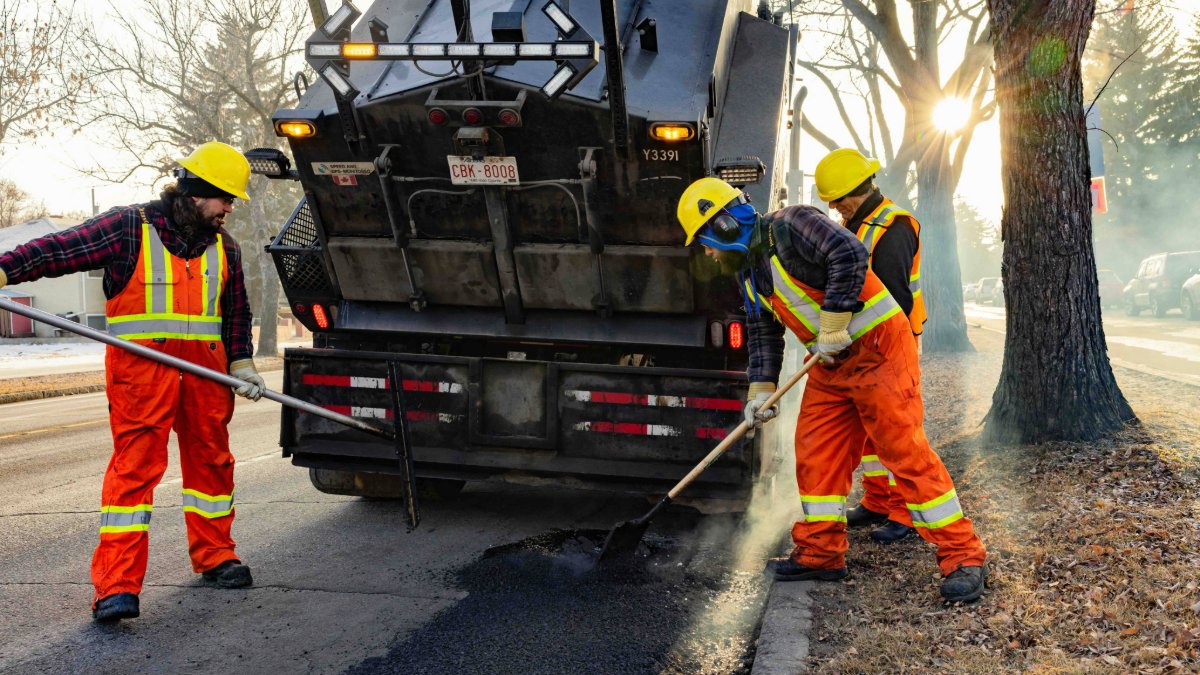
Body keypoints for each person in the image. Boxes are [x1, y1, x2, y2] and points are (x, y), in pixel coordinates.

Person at [675, 177, 987, 603]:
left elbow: (848, 253)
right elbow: (762, 332)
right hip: (830, 363)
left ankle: (963, 555)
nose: (707, 254)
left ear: (725, 225)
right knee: (816, 452)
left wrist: (835, 321)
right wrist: (759, 392)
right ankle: (821, 553)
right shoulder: (749, 275)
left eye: (705, 241)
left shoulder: (792, 223)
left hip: (879, 349)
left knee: (904, 454)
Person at [0, 141, 267, 622]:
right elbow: (56, 249)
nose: (229, 208)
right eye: (223, 197)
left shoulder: (224, 247)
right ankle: (117, 586)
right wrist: (4, 270)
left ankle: (217, 555)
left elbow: (235, 313)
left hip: (205, 375)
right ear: (192, 192)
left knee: (212, 464)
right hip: (143, 376)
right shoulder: (128, 228)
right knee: (135, 472)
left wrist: (241, 361)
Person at [814, 148, 925, 544]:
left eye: (836, 203)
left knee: (896, 432)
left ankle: (905, 513)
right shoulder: (860, 225)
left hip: (891, 346)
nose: (835, 210)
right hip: (866, 346)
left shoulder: (893, 227)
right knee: (868, 430)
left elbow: (893, 300)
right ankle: (878, 501)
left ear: (850, 196)